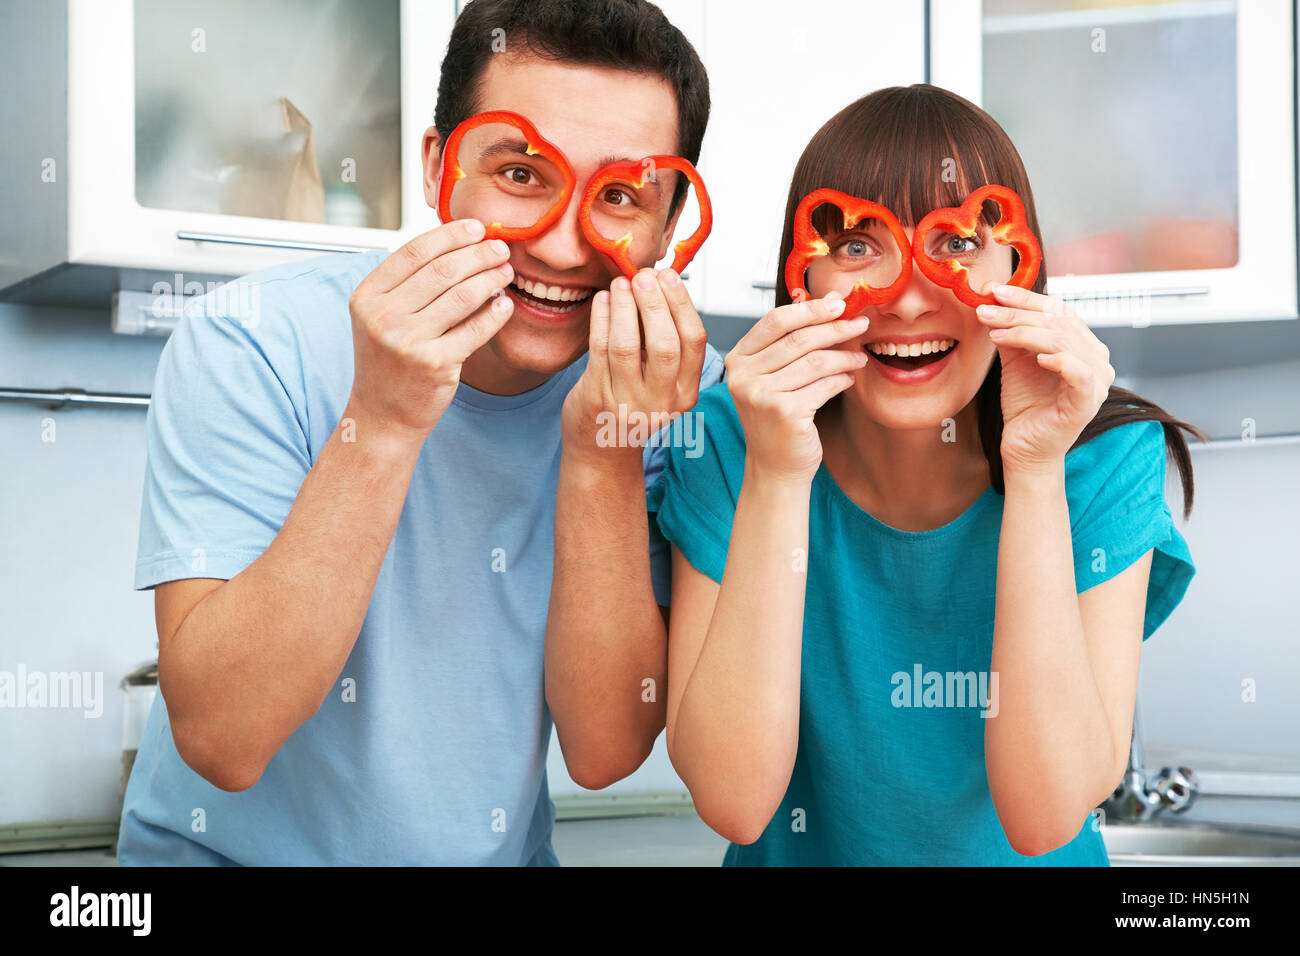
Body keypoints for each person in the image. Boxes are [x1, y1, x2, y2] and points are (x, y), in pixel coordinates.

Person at [117, 0, 721, 866]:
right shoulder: (249, 341)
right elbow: (222, 737)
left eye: (622, 195)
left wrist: (604, 453)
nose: (558, 243)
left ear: (667, 230)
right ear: (440, 165)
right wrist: (388, 420)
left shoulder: (670, 396)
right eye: (519, 172)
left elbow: (604, 749)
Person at [646, 85, 1200, 865]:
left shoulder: (1101, 455)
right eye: (856, 244)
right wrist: (776, 473)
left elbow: (1044, 819)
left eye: (956, 242)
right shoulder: (729, 442)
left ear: (1021, 267)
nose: (906, 299)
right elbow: (734, 803)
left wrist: (1035, 469)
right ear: (800, 276)